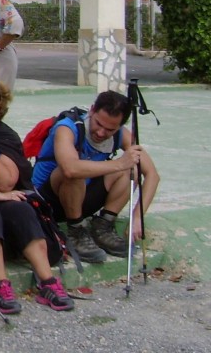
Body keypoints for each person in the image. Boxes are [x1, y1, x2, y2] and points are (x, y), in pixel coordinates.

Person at [0, 77, 74, 312]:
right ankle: (0, 285)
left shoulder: (5, 136)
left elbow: (5, 182)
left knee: (21, 208)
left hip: (4, 196)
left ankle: (47, 281)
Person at [32, 90, 159, 264]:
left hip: (82, 197)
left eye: (110, 129)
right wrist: (120, 163)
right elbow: (70, 169)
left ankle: (104, 226)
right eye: (98, 124)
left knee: (133, 170)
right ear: (92, 110)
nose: (101, 132)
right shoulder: (67, 127)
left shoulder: (121, 134)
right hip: (47, 201)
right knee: (75, 171)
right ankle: (76, 231)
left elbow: (152, 174)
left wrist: (138, 217)